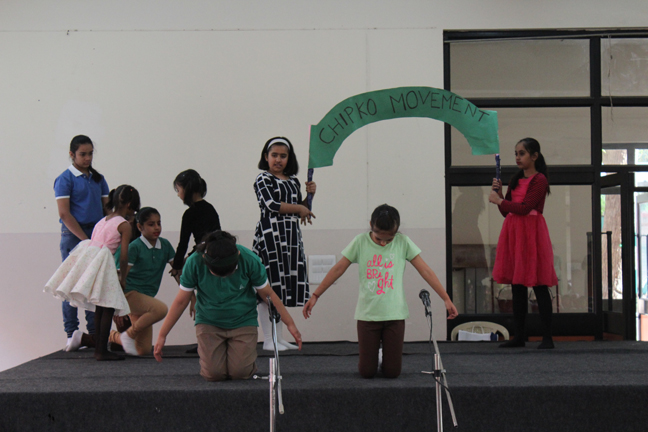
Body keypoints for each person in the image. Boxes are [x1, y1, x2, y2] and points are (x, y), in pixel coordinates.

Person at [303, 204, 458, 379]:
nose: (383, 243)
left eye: (389, 239)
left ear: (397, 231)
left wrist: (446, 298)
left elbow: (426, 271)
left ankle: (385, 355)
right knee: (367, 372)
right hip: (368, 315)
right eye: (378, 238)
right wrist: (316, 295)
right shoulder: (360, 242)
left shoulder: (403, 242)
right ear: (371, 225)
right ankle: (374, 355)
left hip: (394, 314)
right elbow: (338, 269)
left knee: (392, 373)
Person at [154, 231, 302, 381]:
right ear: (205, 258)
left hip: (243, 321)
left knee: (240, 373)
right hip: (209, 321)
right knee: (214, 374)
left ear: (238, 255)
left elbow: (267, 294)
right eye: (217, 272)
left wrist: (290, 323)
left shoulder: (250, 259)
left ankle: (241, 360)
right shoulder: (194, 262)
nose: (224, 277)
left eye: (229, 272)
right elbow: (181, 301)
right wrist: (162, 335)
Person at [45, 185, 140, 360]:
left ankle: (99, 348)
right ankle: (101, 351)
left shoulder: (102, 221)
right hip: (105, 265)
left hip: (92, 262)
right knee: (108, 307)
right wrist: (123, 277)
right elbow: (124, 255)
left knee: (100, 307)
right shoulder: (124, 225)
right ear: (129, 205)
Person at [488, 137, 558, 349]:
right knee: (516, 285)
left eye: (522, 153)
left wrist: (500, 200)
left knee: (539, 285)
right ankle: (519, 337)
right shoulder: (516, 179)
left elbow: (526, 208)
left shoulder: (540, 180)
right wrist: (500, 196)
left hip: (532, 233)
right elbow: (507, 211)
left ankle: (547, 338)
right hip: (514, 232)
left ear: (534, 156)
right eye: (516, 153)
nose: (517, 157)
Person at [253, 137, 316, 351]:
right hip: (270, 237)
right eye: (274, 155)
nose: (278, 160)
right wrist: (299, 208)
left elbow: (301, 209)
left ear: (289, 158)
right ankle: (268, 339)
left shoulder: (293, 181)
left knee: (280, 289)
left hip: (290, 239)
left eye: (283, 156)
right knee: (268, 289)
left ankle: (278, 338)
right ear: (266, 157)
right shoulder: (263, 179)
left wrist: (310, 196)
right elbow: (272, 204)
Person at [54, 135, 109, 351]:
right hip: (73, 234)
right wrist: (85, 240)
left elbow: (107, 209)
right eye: (83, 154)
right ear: (72, 154)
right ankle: (71, 333)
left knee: (92, 284)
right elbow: (64, 214)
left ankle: (93, 334)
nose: (87, 158)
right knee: (70, 285)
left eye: (90, 154)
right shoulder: (65, 179)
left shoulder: (98, 179)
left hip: (96, 233)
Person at [108, 207, 175, 356]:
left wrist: (192, 297)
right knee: (160, 309)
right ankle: (129, 335)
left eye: (159, 223)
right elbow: (118, 278)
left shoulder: (165, 245)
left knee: (142, 350)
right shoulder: (134, 247)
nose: (156, 228)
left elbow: (179, 272)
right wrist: (117, 307)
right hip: (129, 293)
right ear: (140, 227)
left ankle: (108, 336)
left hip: (145, 299)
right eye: (151, 224)